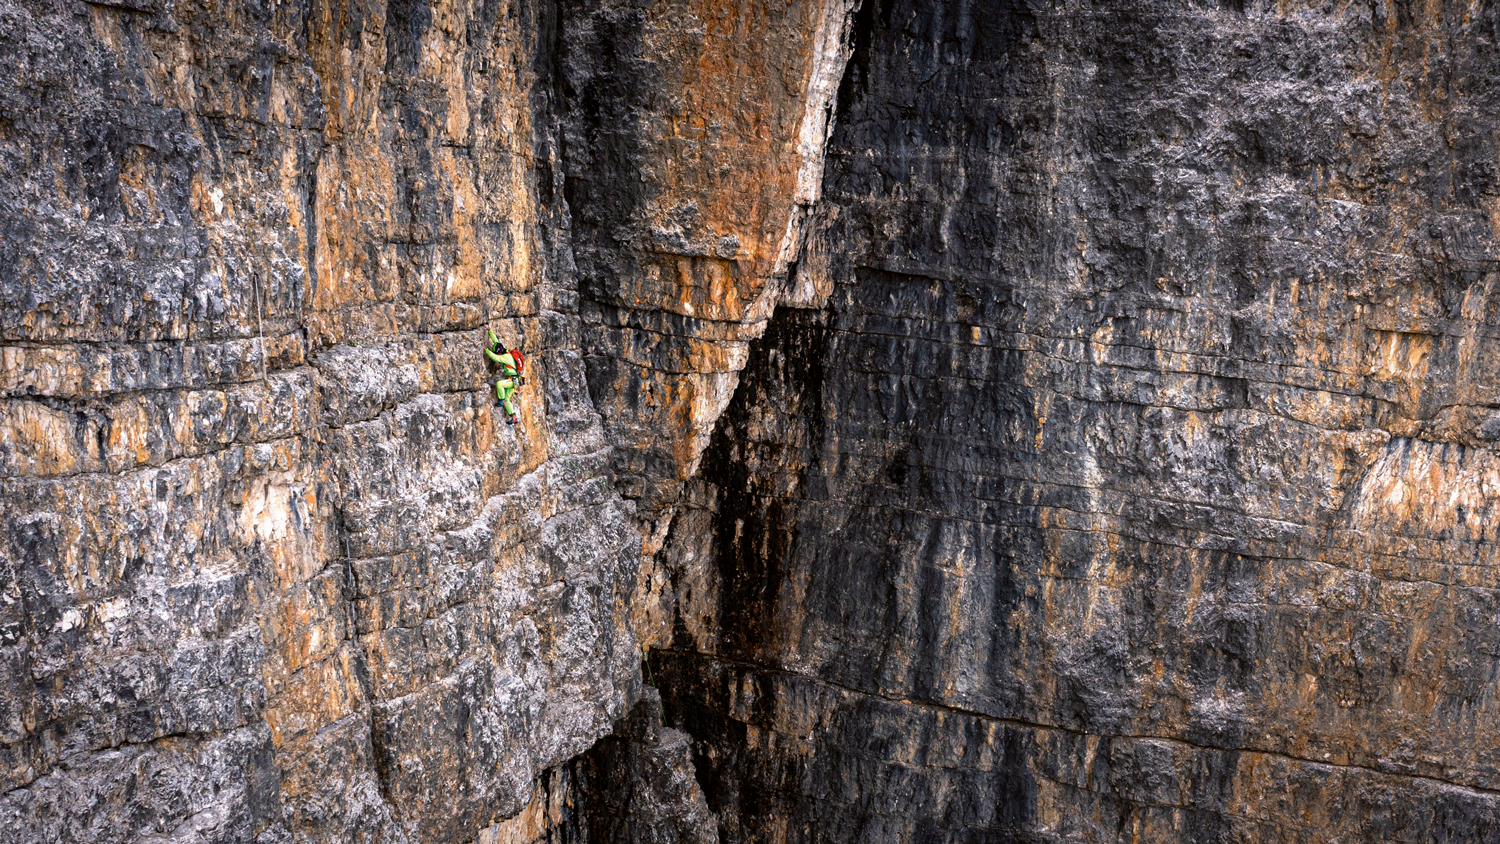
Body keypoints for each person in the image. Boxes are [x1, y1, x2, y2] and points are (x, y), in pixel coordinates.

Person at [484, 327, 525, 425]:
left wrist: (486, 350)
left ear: (499, 352)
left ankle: (501, 400)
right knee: (508, 399)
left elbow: (494, 357)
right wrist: (489, 330)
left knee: (499, 384)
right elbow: (496, 341)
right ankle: (513, 417)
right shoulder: (506, 352)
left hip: (512, 380)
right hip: (515, 380)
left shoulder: (505, 357)